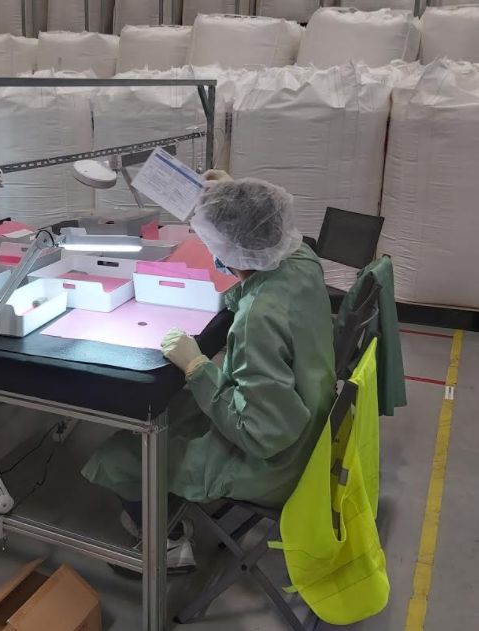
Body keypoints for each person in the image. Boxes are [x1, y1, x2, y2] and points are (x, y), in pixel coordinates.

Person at [82, 173, 337, 573]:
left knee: (120, 456)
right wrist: (231, 194)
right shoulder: (302, 260)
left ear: (229, 245)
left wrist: (198, 367)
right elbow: (258, 225)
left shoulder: (258, 320)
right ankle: (169, 506)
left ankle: (168, 545)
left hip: (277, 460)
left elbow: (261, 434)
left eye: (211, 239)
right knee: (178, 408)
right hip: (314, 424)